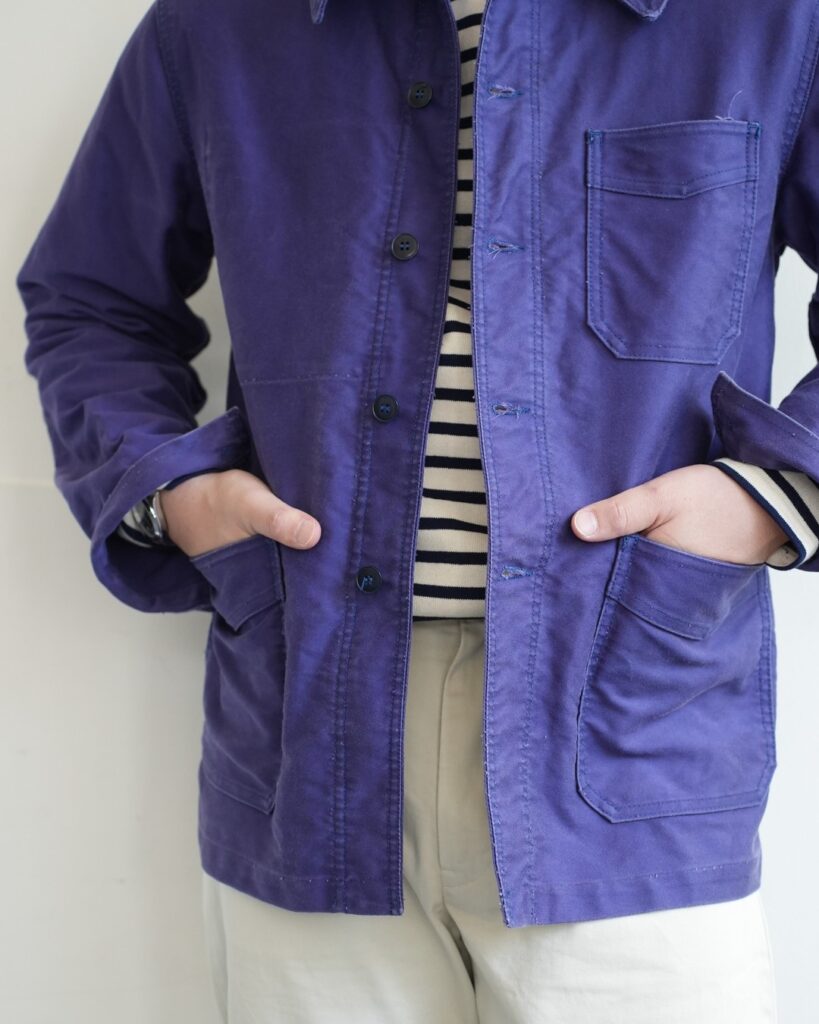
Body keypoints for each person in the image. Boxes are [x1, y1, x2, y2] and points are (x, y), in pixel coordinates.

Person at [17, 0, 819, 1019]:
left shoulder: (773, 19)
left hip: (635, 734)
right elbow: (90, 298)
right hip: (307, 733)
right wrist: (168, 496)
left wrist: (771, 498)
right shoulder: (219, 24)